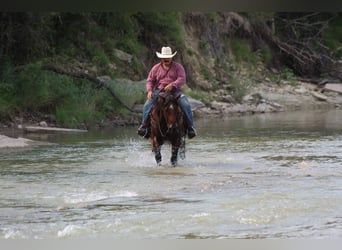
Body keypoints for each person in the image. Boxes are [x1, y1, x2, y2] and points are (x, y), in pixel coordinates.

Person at [137, 46, 197, 139]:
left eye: (168, 57)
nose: (166, 59)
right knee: (147, 105)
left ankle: (190, 128)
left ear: (171, 57)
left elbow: (182, 78)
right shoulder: (156, 68)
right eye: (165, 57)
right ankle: (144, 127)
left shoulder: (178, 67)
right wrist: (149, 90)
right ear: (162, 58)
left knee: (185, 105)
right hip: (159, 90)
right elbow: (150, 80)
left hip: (175, 91)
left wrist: (172, 85)